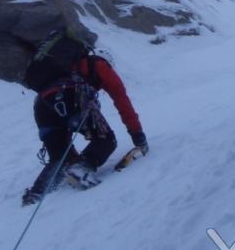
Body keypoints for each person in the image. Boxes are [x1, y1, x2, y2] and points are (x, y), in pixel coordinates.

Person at [21, 27, 148, 205]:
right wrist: (137, 134)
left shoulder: (61, 68)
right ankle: (81, 168)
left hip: (43, 106)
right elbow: (122, 100)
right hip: (70, 98)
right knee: (106, 140)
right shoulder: (101, 66)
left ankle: (35, 194)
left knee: (61, 157)